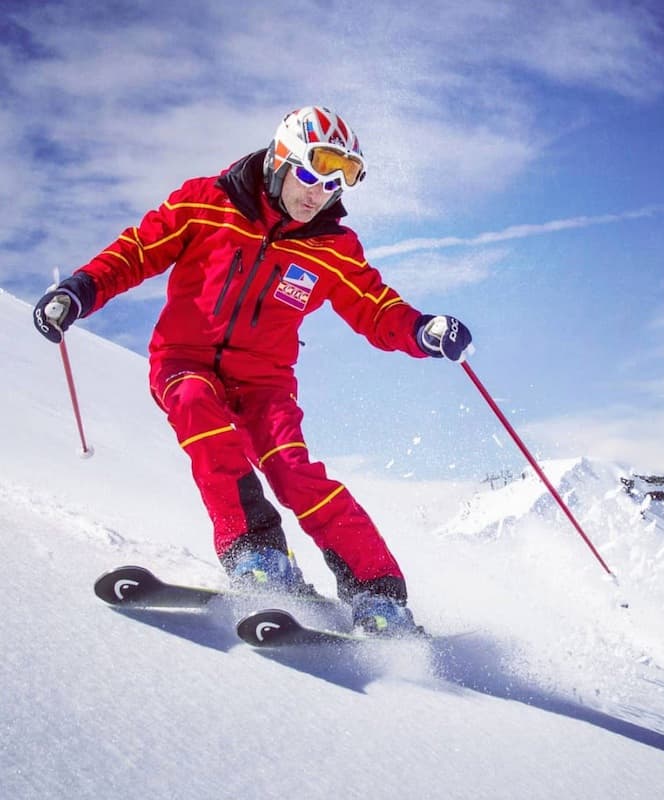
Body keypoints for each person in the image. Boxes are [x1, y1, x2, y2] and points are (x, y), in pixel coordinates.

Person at [33, 106, 472, 636]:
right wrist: (79, 290)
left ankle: (379, 597)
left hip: (265, 383)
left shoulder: (331, 247)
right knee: (197, 407)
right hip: (185, 361)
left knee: (293, 471)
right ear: (280, 160)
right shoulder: (205, 202)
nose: (318, 194)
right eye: (310, 175)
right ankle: (259, 555)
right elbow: (138, 251)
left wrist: (422, 329)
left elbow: (375, 307)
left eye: (335, 184)